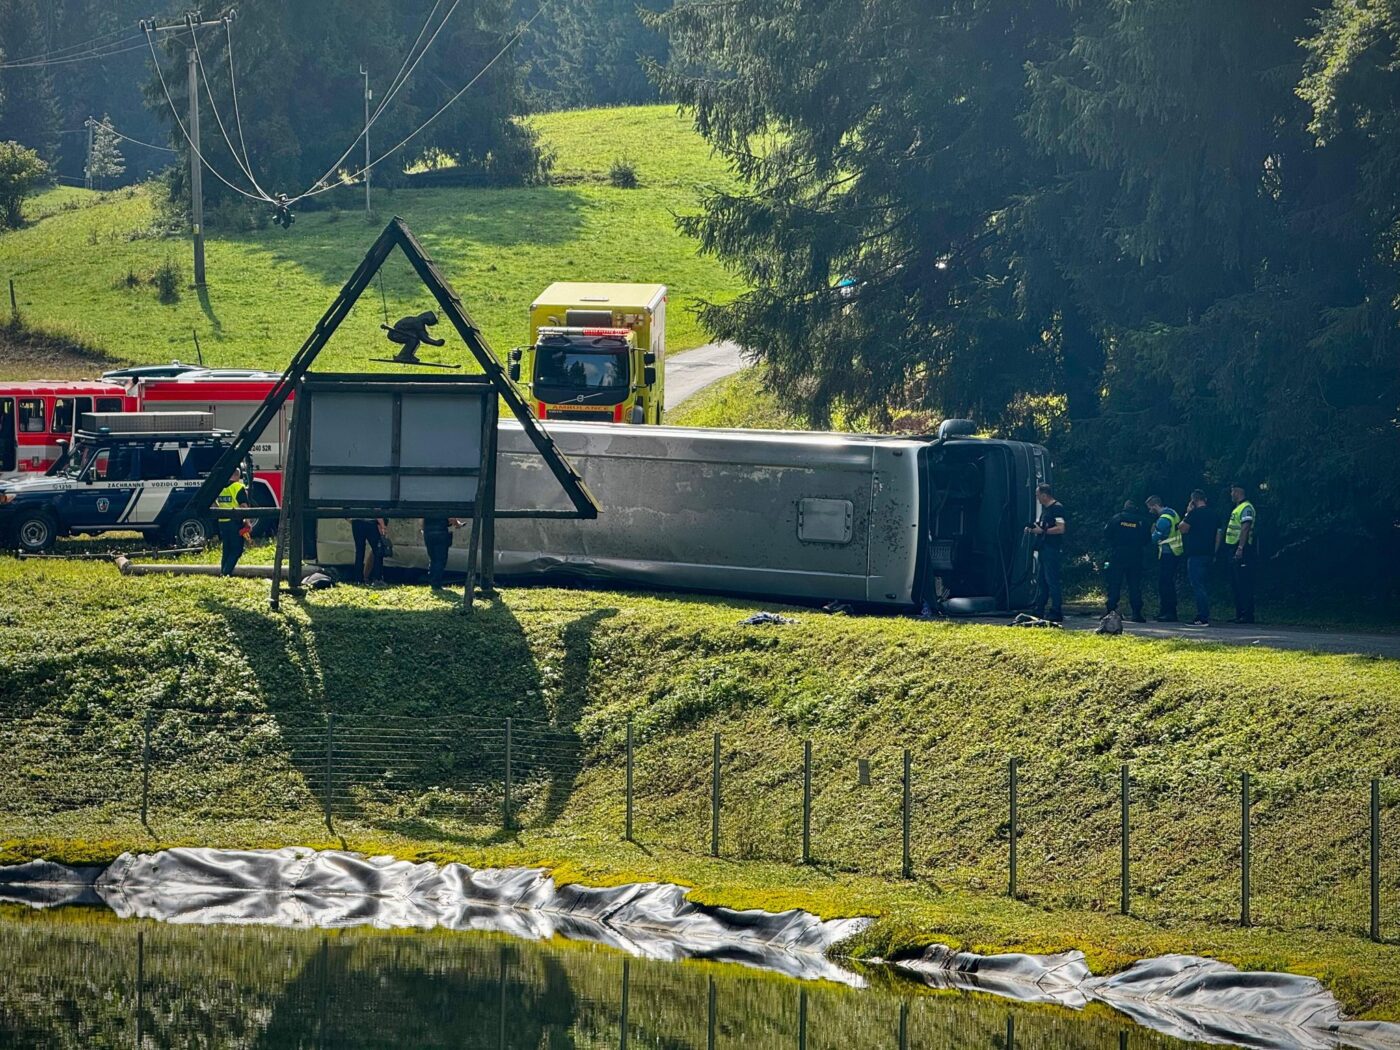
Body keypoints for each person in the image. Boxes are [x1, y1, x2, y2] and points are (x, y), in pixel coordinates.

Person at [1177, 489, 1220, 626]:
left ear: (1193, 501)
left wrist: (1188, 512)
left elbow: (1182, 528)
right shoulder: (1214, 514)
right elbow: (1219, 534)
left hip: (1196, 554)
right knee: (1204, 584)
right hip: (1209, 553)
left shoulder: (1194, 514)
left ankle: (1202, 617)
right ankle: (1204, 614)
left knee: (1197, 585)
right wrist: (1215, 552)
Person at [1025, 483, 1067, 622]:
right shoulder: (1046, 510)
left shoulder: (1057, 508)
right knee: (1042, 581)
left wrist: (1042, 531)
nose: (1037, 498)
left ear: (1044, 495)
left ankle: (1056, 611)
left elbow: (1061, 528)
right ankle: (1039, 609)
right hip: (1044, 548)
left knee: (1052, 581)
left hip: (1052, 549)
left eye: (1037, 495)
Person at [1102, 499, 1149, 622]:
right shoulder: (1141, 521)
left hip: (1118, 554)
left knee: (1114, 583)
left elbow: (1107, 534)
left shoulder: (1116, 518)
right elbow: (1147, 539)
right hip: (1136, 555)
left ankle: (1110, 610)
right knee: (1135, 584)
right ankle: (1136, 613)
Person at [1221, 483, 1258, 624]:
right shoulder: (1238, 508)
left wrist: (1241, 547)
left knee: (1243, 582)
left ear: (1237, 492)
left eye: (1232, 492)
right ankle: (1239, 613)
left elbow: (1245, 528)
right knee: (1236, 583)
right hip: (1233, 547)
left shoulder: (1246, 507)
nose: (1231, 494)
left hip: (1242, 548)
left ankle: (1247, 614)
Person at [1145, 494, 1184, 622]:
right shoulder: (1172, 513)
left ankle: (1168, 612)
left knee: (1165, 583)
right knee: (1167, 582)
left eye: (1150, 508)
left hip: (1169, 553)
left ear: (1155, 505)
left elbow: (1154, 538)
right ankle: (1167, 611)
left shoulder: (1164, 519)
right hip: (1174, 552)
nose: (1150, 511)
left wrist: (1152, 532)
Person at [214, 467, 251, 577]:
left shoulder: (220, 488)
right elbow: (244, 506)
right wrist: (247, 522)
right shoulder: (238, 487)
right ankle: (226, 573)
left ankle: (223, 571)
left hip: (222, 521)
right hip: (235, 522)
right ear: (238, 476)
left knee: (227, 548)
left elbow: (214, 504)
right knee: (237, 549)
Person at [423, 516, 461, 589]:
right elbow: (451, 519)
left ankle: (432, 581)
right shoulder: (445, 504)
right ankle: (436, 584)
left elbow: (422, 520)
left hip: (428, 532)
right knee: (440, 560)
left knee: (433, 558)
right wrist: (458, 524)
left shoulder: (427, 504)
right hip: (441, 532)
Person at [350, 518, 388, 584]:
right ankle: (377, 578)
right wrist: (382, 525)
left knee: (359, 552)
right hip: (370, 521)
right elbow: (375, 509)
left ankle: (358, 579)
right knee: (377, 551)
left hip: (356, 521)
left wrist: (351, 520)